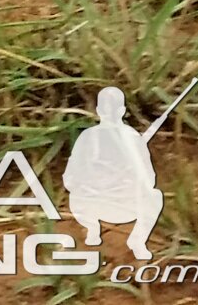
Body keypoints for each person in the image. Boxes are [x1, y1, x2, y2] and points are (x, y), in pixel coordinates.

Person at [63, 85, 167, 259]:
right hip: (126, 207)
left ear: (97, 110)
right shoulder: (131, 137)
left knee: (75, 197)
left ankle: (92, 230)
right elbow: (149, 179)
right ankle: (138, 240)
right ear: (123, 110)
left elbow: (70, 177)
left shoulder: (88, 137)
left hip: (88, 207)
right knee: (155, 197)